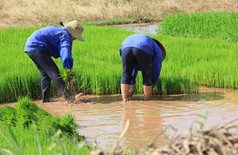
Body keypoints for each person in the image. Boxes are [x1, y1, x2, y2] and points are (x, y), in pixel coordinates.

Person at [24, 20, 84, 104]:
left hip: (30, 47)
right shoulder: (65, 37)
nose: (75, 39)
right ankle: (69, 98)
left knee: (45, 73)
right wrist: (68, 72)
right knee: (54, 73)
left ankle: (46, 100)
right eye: (76, 37)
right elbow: (66, 56)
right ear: (72, 34)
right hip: (37, 47)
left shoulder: (60, 31)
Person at [119, 34, 166, 102]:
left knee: (126, 74)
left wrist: (132, 87)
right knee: (147, 75)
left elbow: (133, 67)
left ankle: (124, 99)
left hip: (125, 47)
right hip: (143, 47)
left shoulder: (147, 41)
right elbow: (156, 67)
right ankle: (146, 101)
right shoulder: (158, 50)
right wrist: (152, 81)